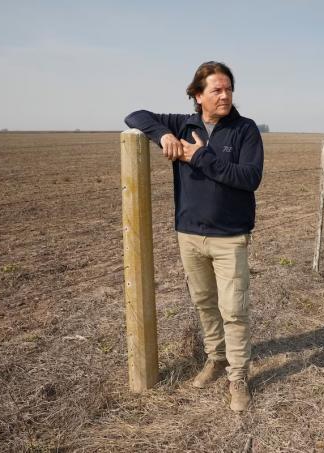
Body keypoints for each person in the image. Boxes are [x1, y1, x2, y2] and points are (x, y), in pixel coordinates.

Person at [124, 61, 263, 412]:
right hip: (189, 234)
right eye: (216, 89)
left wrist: (200, 156)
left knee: (234, 310)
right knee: (204, 303)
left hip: (230, 236)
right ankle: (215, 359)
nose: (225, 95)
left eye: (229, 88)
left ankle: (238, 377)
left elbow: (248, 178)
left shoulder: (245, 130)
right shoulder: (183, 124)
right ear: (197, 95)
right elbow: (135, 115)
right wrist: (164, 136)